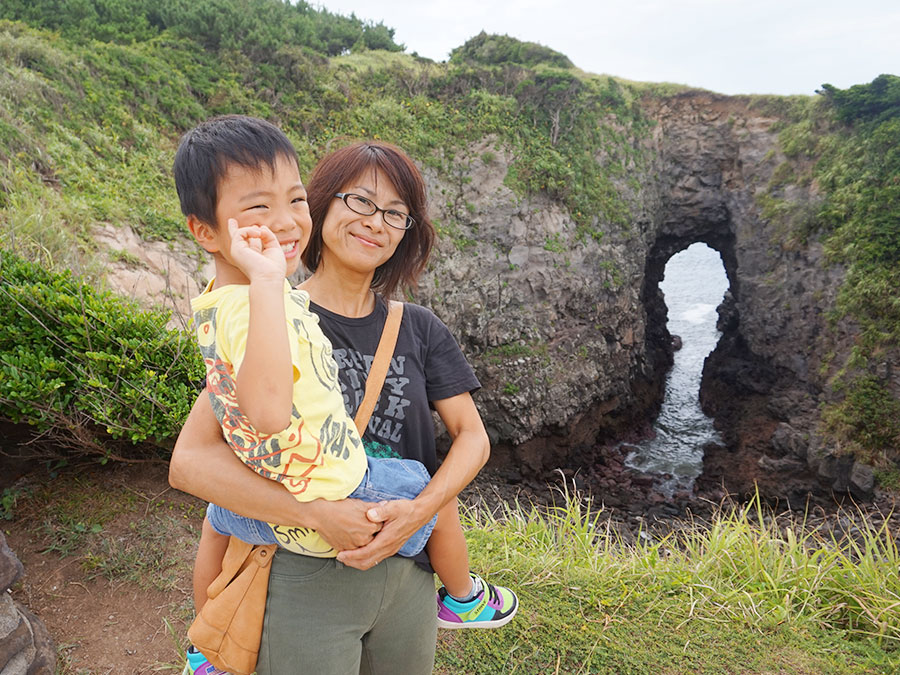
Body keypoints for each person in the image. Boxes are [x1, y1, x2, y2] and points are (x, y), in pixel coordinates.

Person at [170, 118, 517, 675]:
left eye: (396, 212)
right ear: (327, 205)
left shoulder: (421, 328)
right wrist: (318, 514)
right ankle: (206, 644)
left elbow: (472, 438)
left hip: (407, 570)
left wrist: (418, 514)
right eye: (360, 200)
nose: (375, 222)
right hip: (304, 572)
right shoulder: (273, 313)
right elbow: (191, 462)